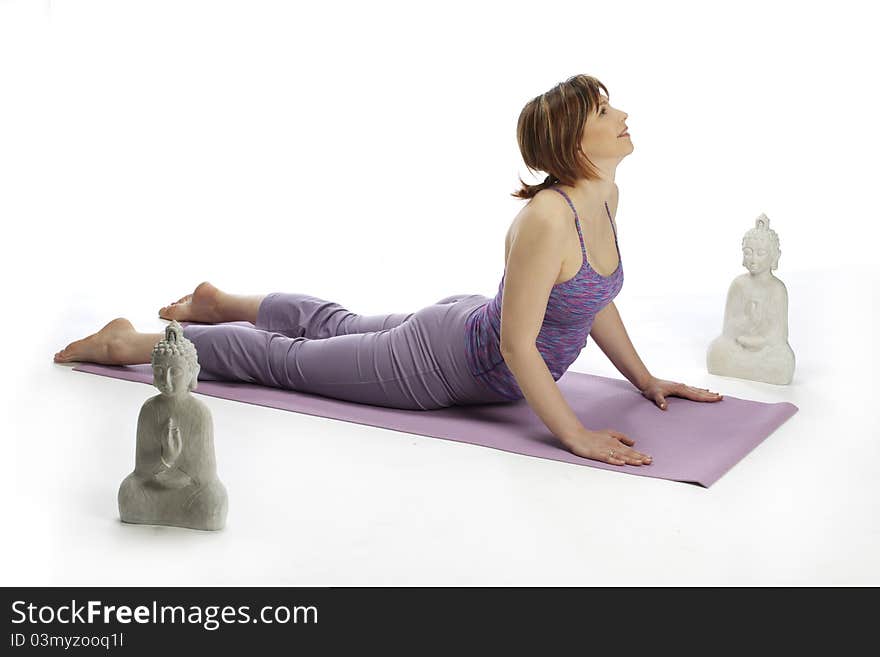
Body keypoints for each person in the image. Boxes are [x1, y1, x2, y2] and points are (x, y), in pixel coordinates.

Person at [54, 74, 723, 467]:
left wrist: (645, 377)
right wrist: (573, 434)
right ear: (578, 143)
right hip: (440, 364)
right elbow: (520, 347)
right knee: (284, 362)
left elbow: (587, 300)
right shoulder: (548, 219)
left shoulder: (603, 196)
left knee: (337, 326)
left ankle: (221, 299)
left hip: (457, 328)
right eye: (608, 113)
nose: (625, 115)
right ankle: (133, 344)